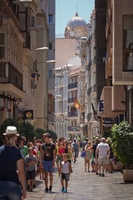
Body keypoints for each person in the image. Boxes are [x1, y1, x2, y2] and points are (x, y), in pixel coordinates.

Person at [0, 126, 26, 200]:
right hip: (13, 185)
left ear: (6, 137)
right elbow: (21, 171)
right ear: (16, 138)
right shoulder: (17, 152)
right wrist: (24, 188)